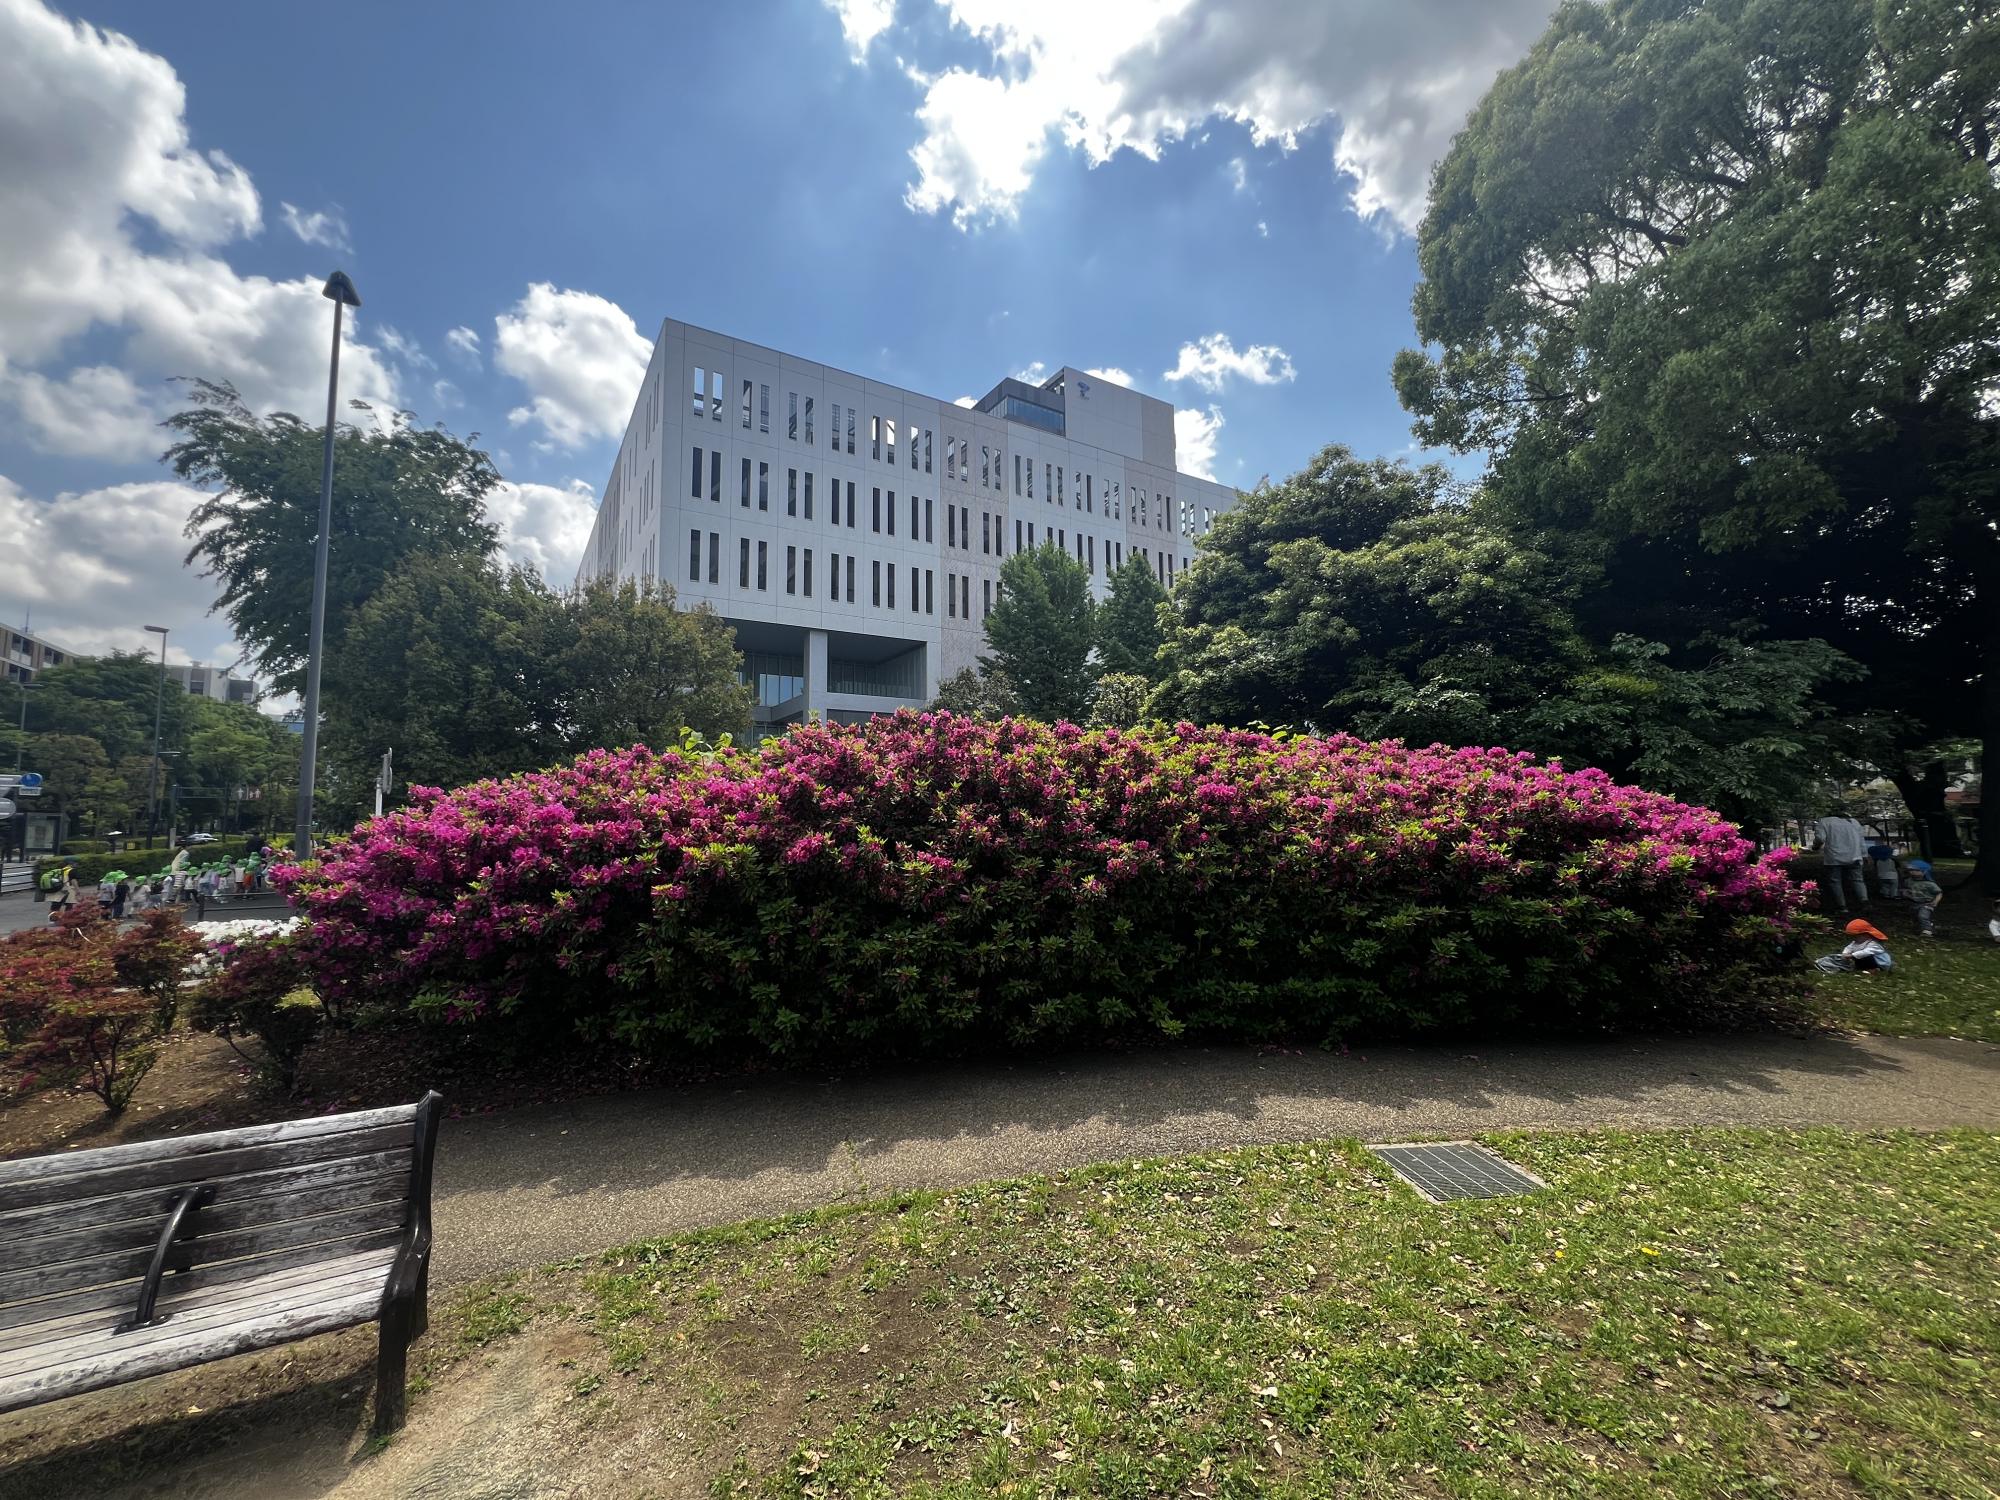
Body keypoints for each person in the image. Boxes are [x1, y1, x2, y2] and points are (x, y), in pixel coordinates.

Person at [1812, 810, 1870, 913]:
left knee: (1835, 882)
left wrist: (1815, 847)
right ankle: (1864, 902)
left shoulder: (1825, 821)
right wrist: (1864, 855)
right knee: (1858, 880)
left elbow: (1820, 839)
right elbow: (1861, 840)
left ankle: (1842, 907)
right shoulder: (1854, 822)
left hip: (1834, 857)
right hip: (1855, 856)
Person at [1816, 918, 1894, 973]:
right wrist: (1845, 953)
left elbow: (1866, 952)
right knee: (1858, 959)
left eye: (1857, 936)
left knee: (1866, 957)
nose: (1855, 939)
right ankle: (1862, 968)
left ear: (1867, 935)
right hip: (1862, 960)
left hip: (1879, 963)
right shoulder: (1855, 942)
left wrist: (1852, 955)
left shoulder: (1873, 944)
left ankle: (1874, 969)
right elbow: (1849, 947)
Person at [1904, 860, 1943, 937]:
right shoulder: (1908, 881)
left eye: (1917, 870)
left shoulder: (1930, 884)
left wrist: (1935, 901)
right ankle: (1923, 927)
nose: (1913, 872)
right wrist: (1906, 893)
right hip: (1913, 902)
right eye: (1911, 870)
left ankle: (1927, 931)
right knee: (1915, 917)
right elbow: (1907, 888)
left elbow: (1939, 893)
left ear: (1924, 872)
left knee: (1923, 916)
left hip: (1927, 903)